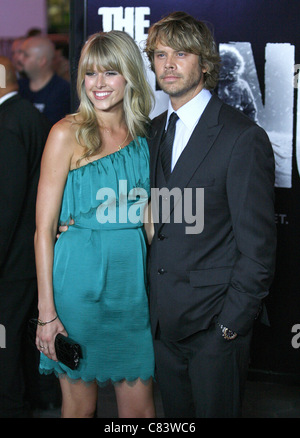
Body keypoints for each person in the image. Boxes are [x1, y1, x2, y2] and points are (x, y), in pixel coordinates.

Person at [144, 11, 276, 418]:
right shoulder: (152, 131)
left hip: (214, 329)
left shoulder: (241, 137)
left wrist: (229, 326)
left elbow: (258, 247)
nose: (168, 64)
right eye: (160, 54)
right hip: (162, 325)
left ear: (205, 62)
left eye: (181, 53)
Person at [34, 30, 155, 418]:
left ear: (130, 76)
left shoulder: (143, 136)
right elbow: (43, 230)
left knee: (139, 410)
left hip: (131, 289)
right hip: (77, 288)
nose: (98, 84)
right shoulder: (66, 133)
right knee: (79, 408)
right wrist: (47, 313)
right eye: (90, 73)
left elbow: (150, 219)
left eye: (110, 72)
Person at [0, 56, 51, 417]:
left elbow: (6, 202)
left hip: (10, 263)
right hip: (25, 259)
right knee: (17, 339)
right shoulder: (27, 115)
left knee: (4, 344)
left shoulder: (8, 122)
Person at [18, 35, 71, 125]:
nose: (19, 58)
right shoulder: (18, 87)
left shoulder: (63, 91)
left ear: (42, 61)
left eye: (26, 55)